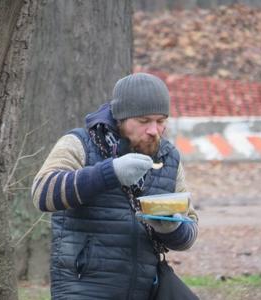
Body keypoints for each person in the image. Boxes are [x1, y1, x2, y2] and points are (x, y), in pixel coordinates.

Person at [31, 73, 198, 299]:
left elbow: (189, 234)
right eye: (144, 121)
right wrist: (111, 172)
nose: (154, 130)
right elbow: (42, 193)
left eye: (160, 121)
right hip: (82, 289)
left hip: (145, 290)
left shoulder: (169, 157)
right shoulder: (79, 143)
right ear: (120, 118)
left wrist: (170, 227)